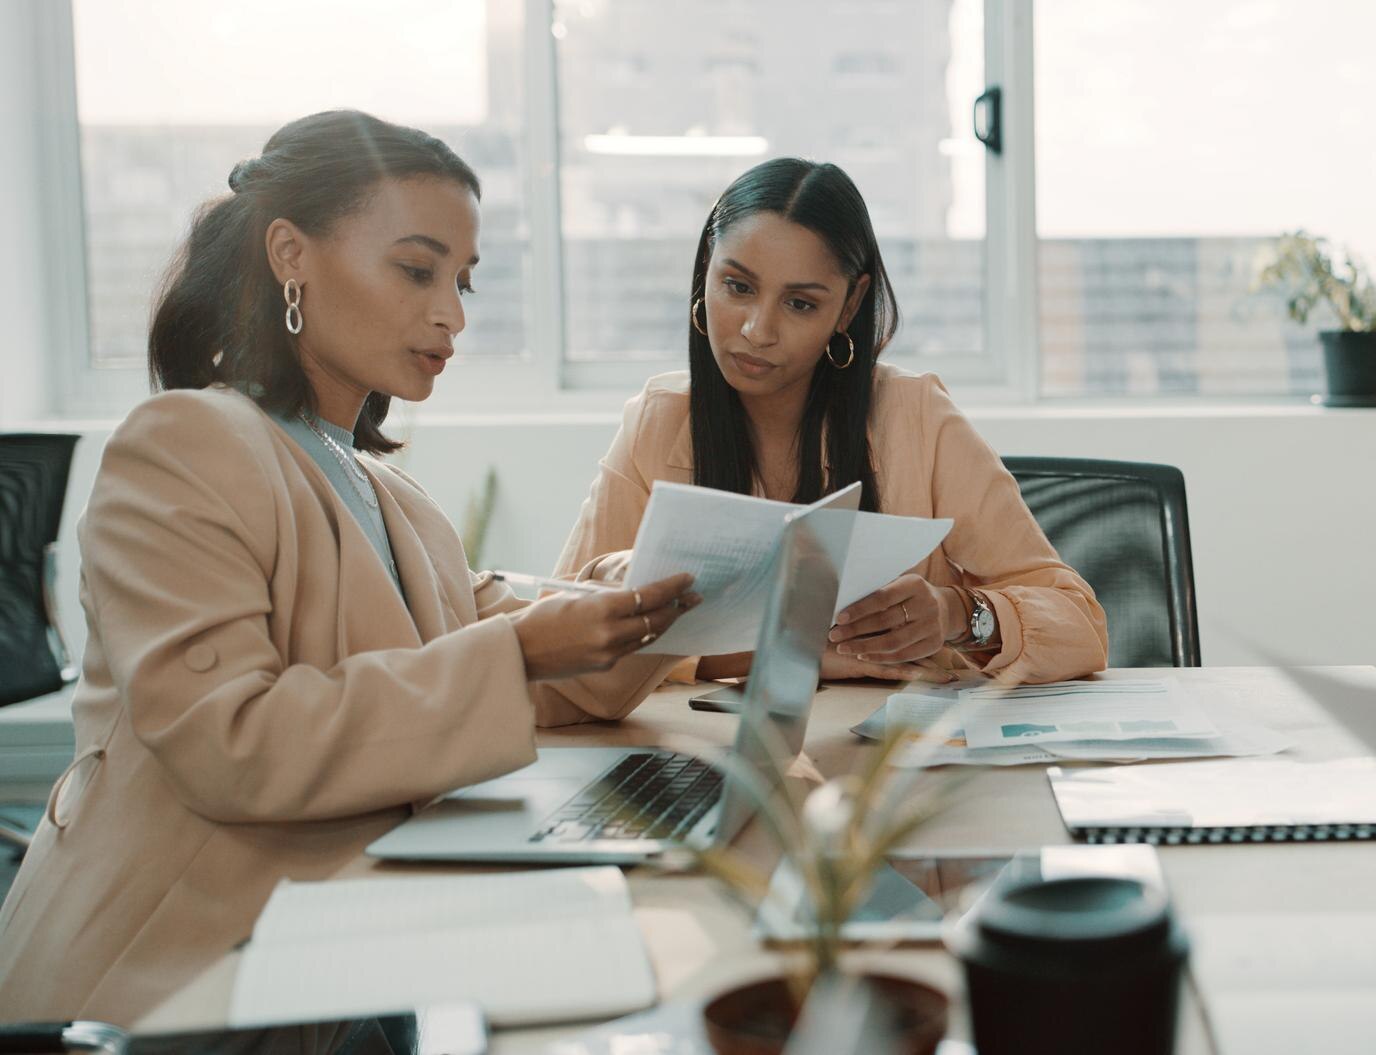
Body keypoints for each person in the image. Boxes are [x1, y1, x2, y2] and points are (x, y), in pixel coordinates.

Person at [0, 111, 700, 1024]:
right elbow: (233, 742)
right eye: (417, 270)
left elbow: (493, 633)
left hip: (336, 950)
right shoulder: (183, 443)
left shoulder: (385, 491)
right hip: (168, 989)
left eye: (463, 281)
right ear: (290, 253)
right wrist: (522, 650)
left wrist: (641, 591)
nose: (450, 312)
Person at [555, 157, 1108, 692]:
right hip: (712, 752)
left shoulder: (916, 416)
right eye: (737, 286)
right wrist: (791, 652)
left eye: (799, 304)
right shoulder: (657, 420)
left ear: (848, 307)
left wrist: (958, 613)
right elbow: (562, 629)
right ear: (706, 273)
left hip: (897, 763)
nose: (756, 330)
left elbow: (1081, 624)